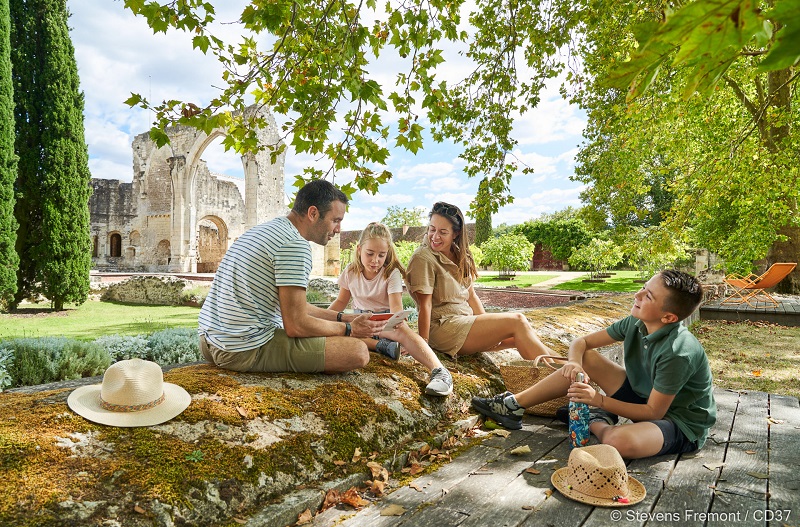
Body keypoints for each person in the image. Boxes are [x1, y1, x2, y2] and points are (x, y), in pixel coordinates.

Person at [472, 270, 717, 460]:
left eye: (648, 296)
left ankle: (596, 420)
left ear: (668, 318)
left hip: (678, 423)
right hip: (641, 398)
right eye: (643, 288)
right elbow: (582, 342)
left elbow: (654, 413)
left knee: (617, 442)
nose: (637, 296)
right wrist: (575, 365)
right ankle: (513, 405)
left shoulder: (678, 352)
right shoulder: (635, 323)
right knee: (585, 358)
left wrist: (597, 401)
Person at [198, 179, 387, 374]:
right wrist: (349, 330)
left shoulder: (262, 231)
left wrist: (344, 318)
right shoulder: (295, 245)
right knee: (357, 351)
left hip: (209, 342)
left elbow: (295, 307)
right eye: (336, 220)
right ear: (313, 213)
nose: (338, 229)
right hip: (242, 349)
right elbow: (296, 325)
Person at [405, 201, 555, 360]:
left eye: (443, 232)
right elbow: (424, 304)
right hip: (444, 329)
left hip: (466, 321)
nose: (435, 236)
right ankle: (559, 378)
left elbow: (471, 295)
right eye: (432, 229)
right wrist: (423, 344)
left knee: (525, 336)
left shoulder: (460, 254)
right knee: (518, 321)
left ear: (455, 234)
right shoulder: (423, 257)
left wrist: (486, 325)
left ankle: (569, 370)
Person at [329, 222, 454, 396]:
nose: (375, 260)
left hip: (383, 322)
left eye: (381, 255)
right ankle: (380, 345)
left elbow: (396, 309)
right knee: (336, 330)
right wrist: (324, 319)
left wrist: (398, 324)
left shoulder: (390, 273)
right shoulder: (350, 272)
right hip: (359, 322)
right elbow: (341, 301)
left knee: (401, 329)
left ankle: (440, 372)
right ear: (359, 249)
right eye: (370, 254)